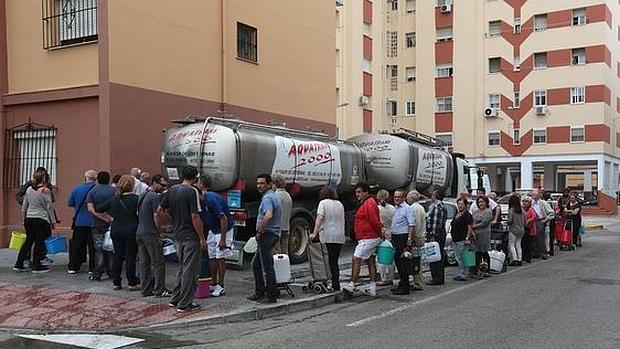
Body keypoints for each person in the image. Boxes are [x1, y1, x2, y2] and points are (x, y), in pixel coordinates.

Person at [158, 166, 205, 313]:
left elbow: (160, 210)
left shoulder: (172, 190)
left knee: (182, 268)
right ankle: (185, 303)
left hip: (177, 234)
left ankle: (175, 298)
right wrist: (202, 237)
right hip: (190, 235)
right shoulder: (192, 191)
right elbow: (195, 216)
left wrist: (171, 221)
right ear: (195, 177)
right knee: (190, 271)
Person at [97, 175, 140, 291]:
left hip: (116, 229)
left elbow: (98, 208)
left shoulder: (114, 199)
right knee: (130, 257)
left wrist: (110, 217)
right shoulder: (136, 199)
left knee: (118, 256)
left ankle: (116, 282)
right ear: (131, 186)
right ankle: (132, 282)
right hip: (131, 230)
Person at [247, 174, 282, 304]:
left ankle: (271, 295)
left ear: (268, 184)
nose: (259, 186)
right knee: (256, 264)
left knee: (267, 267)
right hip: (271, 234)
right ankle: (260, 291)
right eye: (258, 183)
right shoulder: (273, 196)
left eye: (262, 183)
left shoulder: (268, 198)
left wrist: (260, 231)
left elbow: (268, 215)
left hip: (267, 234)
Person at [343, 183, 382, 296]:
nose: (357, 194)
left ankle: (352, 284)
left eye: (359, 192)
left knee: (356, 258)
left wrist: (379, 233)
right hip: (369, 237)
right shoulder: (368, 203)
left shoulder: (369, 204)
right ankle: (372, 287)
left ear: (366, 192)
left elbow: (374, 221)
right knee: (370, 260)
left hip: (368, 237)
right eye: (356, 192)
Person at [13, 170, 57, 273]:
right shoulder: (45, 190)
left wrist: (25, 216)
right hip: (41, 218)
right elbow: (49, 208)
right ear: (44, 178)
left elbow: (24, 206)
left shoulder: (28, 189)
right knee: (39, 242)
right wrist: (53, 222)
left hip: (29, 218)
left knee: (28, 241)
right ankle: (37, 265)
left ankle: (19, 263)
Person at [197, 175, 234, 297]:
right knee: (211, 256)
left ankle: (221, 285)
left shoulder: (211, 199)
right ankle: (213, 281)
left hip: (224, 229)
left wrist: (223, 239)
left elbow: (223, 218)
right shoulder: (200, 202)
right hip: (213, 229)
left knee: (220, 256)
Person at [136, 174, 170, 298]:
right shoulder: (153, 196)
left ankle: (145, 289)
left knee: (144, 262)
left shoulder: (142, 195)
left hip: (140, 232)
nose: (164, 187)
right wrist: (160, 231)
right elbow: (157, 215)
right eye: (162, 185)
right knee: (158, 262)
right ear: (155, 183)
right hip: (150, 233)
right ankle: (159, 289)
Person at [309, 186, 345, 291]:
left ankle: (331, 282)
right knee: (335, 260)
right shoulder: (340, 204)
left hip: (328, 235)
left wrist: (314, 233)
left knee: (328, 260)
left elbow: (320, 217)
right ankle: (336, 283)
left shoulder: (323, 203)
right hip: (339, 236)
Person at [87, 171, 116, 281]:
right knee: (110, 247)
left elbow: (90, 209)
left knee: (99, 248)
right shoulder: (114, 191)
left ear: (98, 179)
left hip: (97, 224)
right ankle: (112, 271)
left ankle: (98, 272)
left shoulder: (92, 191)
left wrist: (100, 216)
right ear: (108, 179)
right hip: (112, 223)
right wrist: (109, 218)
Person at [67, 170, 97, 274]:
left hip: (79, 220)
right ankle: (92, 268)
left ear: (85, 177)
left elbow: (70, 203)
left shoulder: (77, 189)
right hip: (93, 221)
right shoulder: (96, 189)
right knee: (93, 246)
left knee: (77, 245)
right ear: (95, 178)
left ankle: (73, 266)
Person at [389, 189, 416, 295]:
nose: (396, 199)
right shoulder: (395, 208)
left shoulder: (407, 209)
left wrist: (409, 239)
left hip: (403, 237)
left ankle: (405, 287)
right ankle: (402, 283)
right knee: (397, 262)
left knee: (403, 263)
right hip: (395, 237)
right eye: (395, 197)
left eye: (399, 197)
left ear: (404, 198)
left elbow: (411, 225)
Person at [426, 190, 448, 285]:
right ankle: (440, 276)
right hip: (442, 232)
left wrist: (432, 235)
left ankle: (436, 278)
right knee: (440, 255)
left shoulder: (435, 207)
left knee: (434, 255)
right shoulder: (443, 206)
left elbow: (434, 222)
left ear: (435, 196)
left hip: (436, 234)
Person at [406, 190, 426, 290]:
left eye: (408, 197)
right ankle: (417, 281)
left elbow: (415, 225)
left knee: (415, 262)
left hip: (417, 238)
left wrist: (411, 238)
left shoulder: (414, 208)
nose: (406, 198)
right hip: (419, 237)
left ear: (412, 198)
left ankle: (418, 283)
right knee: (417, 261)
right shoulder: (419, 207)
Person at [376, 189, 395, 287]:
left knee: (381, 258)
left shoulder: (377, 208)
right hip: (392, 234)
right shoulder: (392, 208)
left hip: (382, 235)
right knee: (391, 258)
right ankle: (391, 278)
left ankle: (383, 278)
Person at [451, 197, 473, 281]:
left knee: (462, 257)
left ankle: (463, 274)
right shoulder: (457, 214)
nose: (460, 206)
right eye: (458, 204)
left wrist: (467, 238)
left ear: (466, 205)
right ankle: (460, 273)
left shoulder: (467, 215)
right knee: (458, 257)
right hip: (455, 239)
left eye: (462, 204)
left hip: (462, 239)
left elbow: (469, 227)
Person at [471, 195, 492, 278]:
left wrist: (473, 226)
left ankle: (487, 270)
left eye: (482, 202)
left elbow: (484, 223)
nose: (481, 204)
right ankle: (477, 270)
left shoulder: (488, 211)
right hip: (476, 235)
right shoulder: (475, 212)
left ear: (486, 202)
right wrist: (472, 229)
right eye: (479, 202)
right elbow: (472, 221)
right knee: (477, 253)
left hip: (484, 234)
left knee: (484, 252)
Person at [272, 173, 292, 255]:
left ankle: (278, 267)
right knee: (284, 252)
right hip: (286, 227)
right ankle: (285, 267)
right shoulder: (288, 195)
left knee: (277, 252)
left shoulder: (275, 196)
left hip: (276, 228)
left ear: (274, 184)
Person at [532, 190, 554, 260]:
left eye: (534, 195)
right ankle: (535, 253)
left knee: (541, 238)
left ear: (538, 196)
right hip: (533, 221)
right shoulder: (532, 203)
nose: (533, 196)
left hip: (540, 221)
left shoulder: (543, 203)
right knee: (533, 238)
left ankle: (544, 253)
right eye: (532, 195)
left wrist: (546, 219)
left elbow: (551, 212)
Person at [507, 194, 525, 266]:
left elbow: (510, 220)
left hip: (514, 229)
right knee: (518, 244)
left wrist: (507, 222)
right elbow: (524, 221)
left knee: (511, 244)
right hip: (521, 229)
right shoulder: (521, 210)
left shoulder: (512, 209)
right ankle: (520, 259)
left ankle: (514, 259)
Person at [522, 196, 538, 263]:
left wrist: (529, 220)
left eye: (527, 201)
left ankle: (528, 258)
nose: (525, 203)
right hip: (523, 228)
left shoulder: (531, 209)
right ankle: (523, 257)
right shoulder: (522, 209)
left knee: (528, 244)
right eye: (524, 201)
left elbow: (535, 216)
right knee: (523, 244)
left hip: (529, 229)